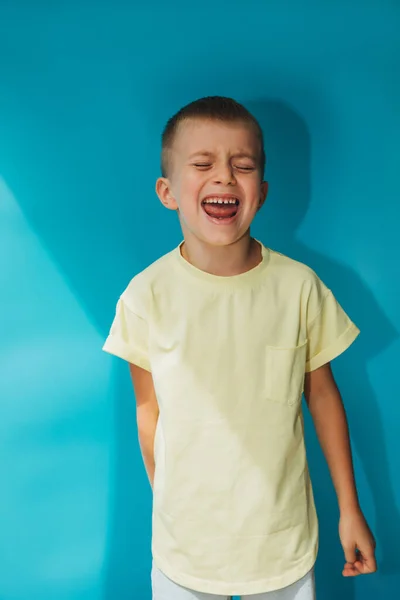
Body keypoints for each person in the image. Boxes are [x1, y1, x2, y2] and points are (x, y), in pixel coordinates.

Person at [102, 96, 377, 599]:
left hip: (281, 546)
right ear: (167, 191)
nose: (224, 177)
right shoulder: (145, 295)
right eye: (203, 164)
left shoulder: (299, 287)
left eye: (242, 166)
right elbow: (149, 410)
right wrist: (173, 504)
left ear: (262, 191)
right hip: (183, 551)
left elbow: (322, 397)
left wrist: (350, 508)